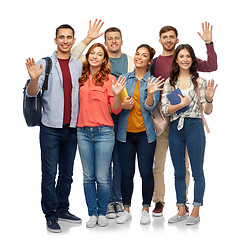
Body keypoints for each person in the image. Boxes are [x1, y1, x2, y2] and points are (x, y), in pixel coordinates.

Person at [151, 22, 218, 217]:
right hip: (168, 123)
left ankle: (190, 207)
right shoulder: (161, 71)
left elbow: (208, 108)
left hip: (193, 125)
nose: (185, 59)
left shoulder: (196, 75)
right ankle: (169, 204)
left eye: (188, 56)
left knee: (192, 169)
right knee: (167, 167)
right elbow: (162, 103)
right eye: (165, 37)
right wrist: (179, 105)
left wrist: (209, 43)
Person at [72, 19, 134, 218]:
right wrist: (89, 38)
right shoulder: (82, 73)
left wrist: (120, 99)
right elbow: (73, 56)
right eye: (109, 39)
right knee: (96, 170)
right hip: (90, 123)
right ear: (106, 42)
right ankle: (103, 207)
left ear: (122, 41)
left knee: (117, 160)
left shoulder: (127, 62)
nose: (113, 41)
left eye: (117, 38)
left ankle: (116, 200)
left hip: (118, 117)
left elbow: (134, 84)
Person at [25, 24, 82, 233]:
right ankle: (50, 214)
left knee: (67, 173)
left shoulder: (78, 65)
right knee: (49, 173)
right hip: (50, 127)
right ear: (55, 40)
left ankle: (62, 208)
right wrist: (33, 79)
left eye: (69, 37)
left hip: (73, 127)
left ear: (73, 40)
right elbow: (32, 93)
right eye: (61, 37)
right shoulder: (45, 63)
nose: (65, 41)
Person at [76, 43, 126, 228]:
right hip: (82, 132)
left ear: (104, 59)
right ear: (87, 56)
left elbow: (116, 109)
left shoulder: (110, 80)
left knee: (102, 176)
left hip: (104, 132)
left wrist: (118, 94)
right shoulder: (80, 79)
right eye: (92, 53)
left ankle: (103, 212)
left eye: (99, 54)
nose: (95, 57)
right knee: (88, 176)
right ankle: (92, 213)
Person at [116, 44, 164, 225]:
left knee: (146, 172)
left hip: (145, 135)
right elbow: (116, 106)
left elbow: (150, 107)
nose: (139, 57)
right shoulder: (123, 79)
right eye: (137, 54)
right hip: (125, 134)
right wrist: (122, 104)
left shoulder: (153, 82)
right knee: (127, 173)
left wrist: (151, 94)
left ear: (149, 61)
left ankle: (145, 208)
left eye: (144, 55)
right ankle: (126, 208)